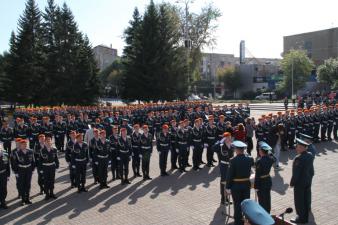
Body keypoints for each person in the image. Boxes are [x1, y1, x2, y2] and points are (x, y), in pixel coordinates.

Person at [225, 141, 254, 225]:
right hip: (246, 185)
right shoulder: (249, 159)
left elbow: (229, 175)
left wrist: (227, 187)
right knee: (246, 205)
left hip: (236, 186)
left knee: (237, 205)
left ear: (237, 150)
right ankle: (246, 221)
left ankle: (238, 222)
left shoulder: (233, 160)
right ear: (243, 150)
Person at [290, 138, 314, 224]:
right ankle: (306, 217)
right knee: (306, 199)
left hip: (300, 184)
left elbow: (296, 174)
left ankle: (301, 218)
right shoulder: (310, 155)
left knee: (299, 201)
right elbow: (312, 171)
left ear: (303, 148)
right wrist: (310, 179)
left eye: (298, 147)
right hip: (307, 181)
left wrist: (292, 183)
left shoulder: (298, 158)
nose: (296, 148)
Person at [212, 132, 233, 205]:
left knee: (229, 182)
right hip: (223, 166)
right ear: (224, 138)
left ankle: (227, 197)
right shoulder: (221, 146)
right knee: (223, 182)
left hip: (230, 166)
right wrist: (220, 141)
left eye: (230, 137)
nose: (229, 139)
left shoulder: (232, 145)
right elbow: (213, 148)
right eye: (227, 137)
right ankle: (223, 199)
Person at [12, 139, 35, 206]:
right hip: (21, 170)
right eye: (22, 145)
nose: (24, 146)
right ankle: (23, 200)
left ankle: (27, 198)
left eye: (25, 144)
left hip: (28, 169)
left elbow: (33, 161)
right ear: (20, 145)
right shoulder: (17, 153)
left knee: (28, 184)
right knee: (22, 184)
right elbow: (14, 163)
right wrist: (16, 172)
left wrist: (33, 169)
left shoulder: (30, 151)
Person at [254, 141, 275, 213]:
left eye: (259, 150)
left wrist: (256, 186)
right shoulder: (271, 159)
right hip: (268, 180)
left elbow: (257, 175)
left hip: (261, 182)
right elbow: (273, 157)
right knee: (267, 198)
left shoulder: (259, 161)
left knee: (262, 200)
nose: (259, 151)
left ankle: (263, 214)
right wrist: (269, 152)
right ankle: (268, 212)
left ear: (261, 151)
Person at [40, 135, 59, 200]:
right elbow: (40, 161)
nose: (48, 142)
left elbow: (56, 158)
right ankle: (47, 194)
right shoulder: (42, 150)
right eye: (47, 141)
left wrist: (57, 166)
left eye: (49, 141)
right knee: (46, 181)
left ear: (51, 141)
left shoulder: (54, 149)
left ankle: (52, 193)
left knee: (52, 180)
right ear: (45, 142)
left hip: (52, 167)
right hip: (45, 167)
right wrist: (41, 169)